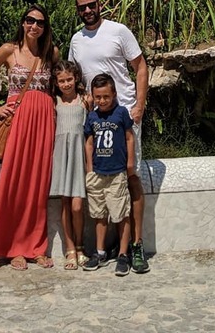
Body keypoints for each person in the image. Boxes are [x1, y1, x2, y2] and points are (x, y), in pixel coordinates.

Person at [68, 0, 150, 274]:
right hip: (97, 121)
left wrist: (139, 105)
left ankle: (137, 245)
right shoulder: (76, 40)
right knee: (104, 184)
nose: (88, 10)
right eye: (82, 7)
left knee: (131, 177)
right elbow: (76, 76)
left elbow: (140, 67)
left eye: (91, 5)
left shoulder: (119, 31)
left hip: (125, 114)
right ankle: (111, 247)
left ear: (99, 4)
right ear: (77, 11)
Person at [0, 4, 60, 270]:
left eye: (40, 23)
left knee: (38, 184)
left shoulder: (51, 53)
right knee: (15, 184)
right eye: (30, 20)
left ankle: (36, 247)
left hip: (45, 120)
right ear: (23, 23)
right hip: (19, 121)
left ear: (45, 28)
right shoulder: (9, 50)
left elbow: (62, 83)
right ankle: (12, 248)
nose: (34, 26)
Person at [82, 74, 134, 276]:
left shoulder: (121, 113)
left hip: (116, 172)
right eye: (98, 97)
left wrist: (130, 163)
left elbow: (130, 138)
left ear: (113, 94)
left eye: (106, 96)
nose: (102, 101)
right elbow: (89, 143)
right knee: (99, 214)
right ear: (93, 97)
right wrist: (89, 168)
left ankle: (122, 254)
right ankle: (100, 251)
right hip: (97, 172)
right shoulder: (92, 117)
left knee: (121, 213)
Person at [49, 60, 88, 270]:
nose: (66, 84)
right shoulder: (54, 102)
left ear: (76, 79)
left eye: (69, 79)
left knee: (77, 205)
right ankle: (70, 248)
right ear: (56, 83)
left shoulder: (85, 101)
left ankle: (81, 245)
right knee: (65, 203)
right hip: (61, 156)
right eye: (61, 80)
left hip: (78, 155)